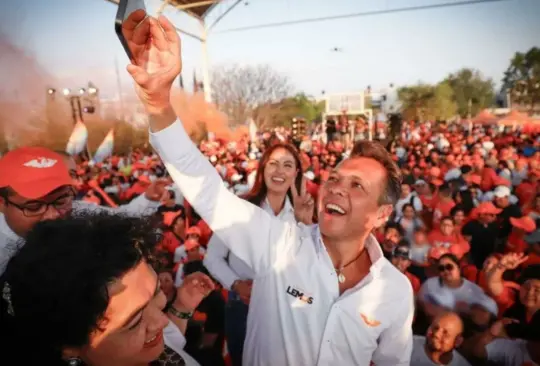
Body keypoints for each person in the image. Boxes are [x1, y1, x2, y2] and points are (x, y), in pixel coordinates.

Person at [124, 11, 413, 365]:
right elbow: (208, 191)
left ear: (382, 214)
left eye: (356, 186)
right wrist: (157, 103)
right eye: (334, 178)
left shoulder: (395, 291)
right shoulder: (279, 245)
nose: (336, 188)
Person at [0, 212, 214, 365]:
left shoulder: (140, 341)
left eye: (156, 292)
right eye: (134, 322)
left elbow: (166, 340)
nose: (162, 321)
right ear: (70, 347)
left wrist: (182, 307)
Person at [204, 142, 304, 366]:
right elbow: (212, 257)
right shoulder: (239, 208)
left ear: (296, 172)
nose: (279, 171)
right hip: (242, 306)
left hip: (285, 308)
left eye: (287, 165)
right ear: (263, 169)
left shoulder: (302, 214)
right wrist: (236, 284)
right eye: (273, 164)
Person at [0, 147, 167, 274]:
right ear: (2, 203)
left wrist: (149, 198)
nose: (52, 216)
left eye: (61, 200)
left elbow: (122, 218)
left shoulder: (78, 212)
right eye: (34, 207)